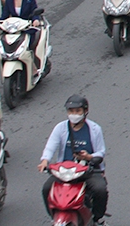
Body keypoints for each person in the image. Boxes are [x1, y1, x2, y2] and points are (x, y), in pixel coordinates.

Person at [39, 95, 108, 224]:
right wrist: (45, 160)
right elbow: (50, 146)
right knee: (46, 188)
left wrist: (89, 157)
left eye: (77, 111)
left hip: (88, 170)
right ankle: (54, 215)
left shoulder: (94, 129)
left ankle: (97, 218)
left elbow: (101, 152)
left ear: (85, 111)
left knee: (100, 190)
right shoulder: (60, 128)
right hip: (64, 171)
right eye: (71, 111)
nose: (74, 114)